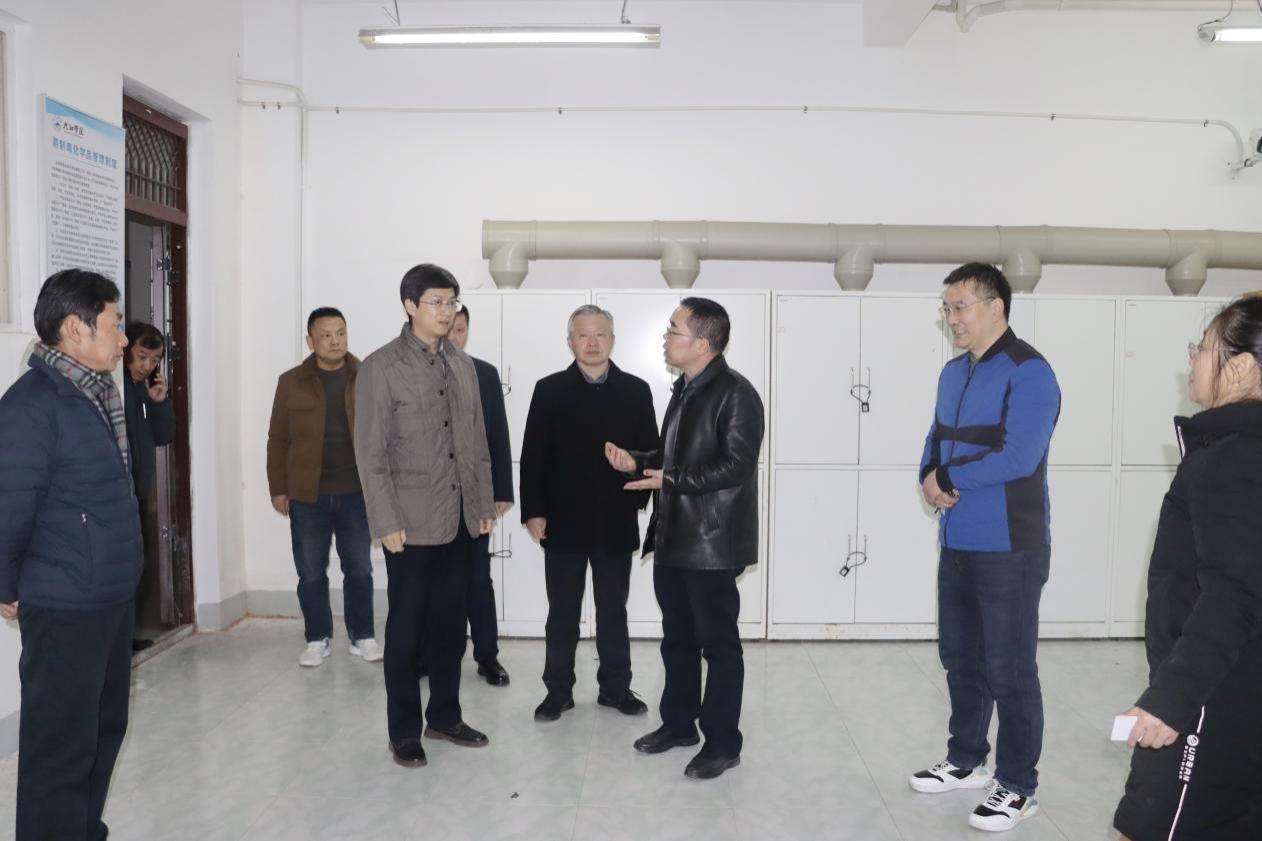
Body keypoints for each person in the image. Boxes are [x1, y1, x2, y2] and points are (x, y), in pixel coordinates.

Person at [910, 262, 1060, 832]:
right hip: (958, 539)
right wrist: (928, 476)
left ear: (995, 306)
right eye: (947, 309)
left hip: (1010, 546)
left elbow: (1019, 457)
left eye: (960, 307)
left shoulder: (1030, 371)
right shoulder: (953, 372)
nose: (952, 319)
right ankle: (966, 758)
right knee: (961, 658)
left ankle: (1018, 785)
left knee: (1009, 667)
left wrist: (947, 478)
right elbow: (937, 438)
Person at [1112, 297, 1262, 841]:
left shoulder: (1234, 456)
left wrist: (1172, 700)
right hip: (1238, 687)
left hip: (1211, 698)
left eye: (1202, 349)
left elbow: (1232, 593)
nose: (1193, 360)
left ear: (1239, 367)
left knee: (1148, 828)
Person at [0, 269, 141, 840]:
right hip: (64, 603)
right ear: (75, 329)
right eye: (114, 324)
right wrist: (6, 585)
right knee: (60, 743)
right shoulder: (32, 405)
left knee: (103, 730)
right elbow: (9, 504)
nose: (123, 338)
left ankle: (82, 830)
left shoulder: (97, 392)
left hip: (108, 594)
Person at [605, 297, 763, 780]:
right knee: (677, 641)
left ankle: (723, 742)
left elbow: (735, 466)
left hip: (712, 545)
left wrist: (668, 479)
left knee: (719, 646)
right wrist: (637, 461)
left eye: (674, 330)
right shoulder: (685, 389)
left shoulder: (737, 394)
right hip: (673, 537)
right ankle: (678, 725)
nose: (666, 337)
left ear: (703, 343)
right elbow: (672, 456)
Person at [354, 264, 495, 768]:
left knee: (451, 628)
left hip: (459, 520)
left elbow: (476, 443)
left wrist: (482, 505)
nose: (446, 311)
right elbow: (370, 453)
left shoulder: (463, 366)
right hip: (409, 525)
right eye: (436, 301)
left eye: (452, 301)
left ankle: (445, 717)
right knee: (407, 631)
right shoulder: (381, 367)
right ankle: (403, 732)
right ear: (410, 305)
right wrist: (385, 521)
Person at [520, 304, 659, 722]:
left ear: (613, 340)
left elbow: (652, 453)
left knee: (613, 609)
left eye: (600, 334)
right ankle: (557, 691)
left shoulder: (636, 390)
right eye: (583, 335)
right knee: (562, 611)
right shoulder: (549, 390)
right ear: (570, 342)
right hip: (561, 520)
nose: (592, 342)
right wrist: (534, 511)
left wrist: (633, 475)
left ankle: (616, 689)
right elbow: (533, 456)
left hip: (615, 519)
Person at [267, 307, 381, 667]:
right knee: (311, 572)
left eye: (341, 333)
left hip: (356, 493)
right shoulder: (291, 382)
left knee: (359, 568)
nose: (335, 341)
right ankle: (317, 638)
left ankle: (362, 636)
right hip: (307, 495)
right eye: (326, 335)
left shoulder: (366, 376)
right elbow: (278, 438)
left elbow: (381, 434)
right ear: (310, 341)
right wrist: (278, 488)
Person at [446, 305, 513, 687]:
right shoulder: (418, 373)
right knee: (437, 582)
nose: (453, 336)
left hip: (473, 497)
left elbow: (497, 435)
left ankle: (487, 655)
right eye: (448, 328)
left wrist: (501, 491)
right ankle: (437, 653)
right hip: (431, 500)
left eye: (460, 329)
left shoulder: (484, 373)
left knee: (477, 578)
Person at [122, 322, 176, 650]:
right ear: (125, 349)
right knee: (122, 569)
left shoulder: (142, 390)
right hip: (118, 496)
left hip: (138, 495)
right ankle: (120, 641)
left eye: (154, 360)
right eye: (142, 356)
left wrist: (159, 402)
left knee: (135, 568)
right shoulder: (116, 389)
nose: (147, 366)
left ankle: (126, 637)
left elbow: (164, 435)